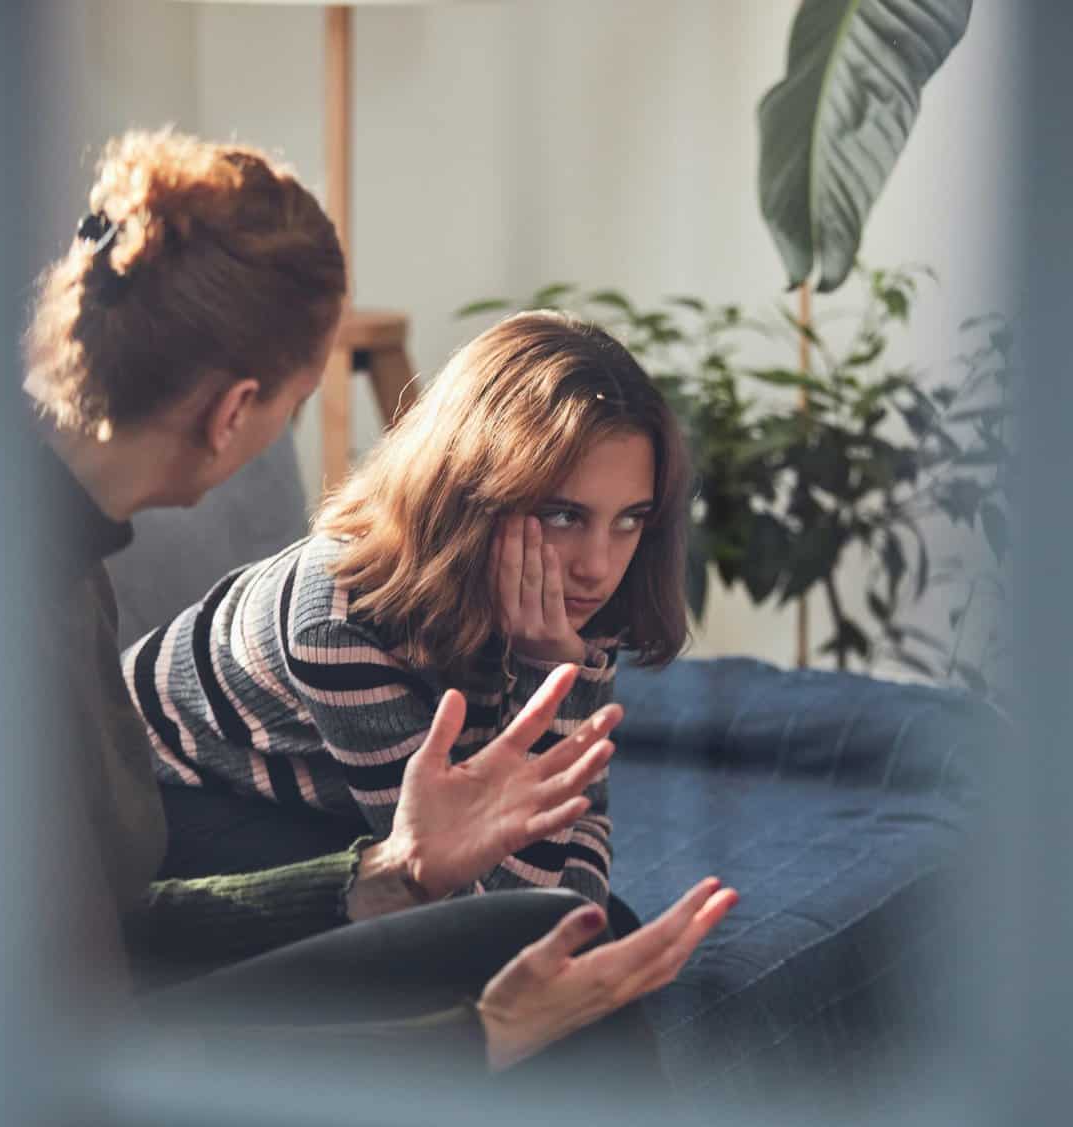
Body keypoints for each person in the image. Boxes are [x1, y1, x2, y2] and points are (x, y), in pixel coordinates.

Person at [0, 129, 734, 1127]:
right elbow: (75, 1060)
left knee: (560, 936)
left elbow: (111, 930)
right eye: (295, 398)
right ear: (235, 413)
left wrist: (390, 872)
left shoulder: (32, 536)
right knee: (544, 1016)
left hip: (14, 1043)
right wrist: (474, 1035)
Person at [126, 310, 691, 921]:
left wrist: (553, 667)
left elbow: (575, 844)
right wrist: (547, 673)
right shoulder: (339, 620)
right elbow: (479, 906)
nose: (598, 566)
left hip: (343, 807)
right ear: (474, 493)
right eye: (563, 516)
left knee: (604, 929)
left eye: (630, 518)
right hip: (168, 804)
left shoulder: (575, 595)